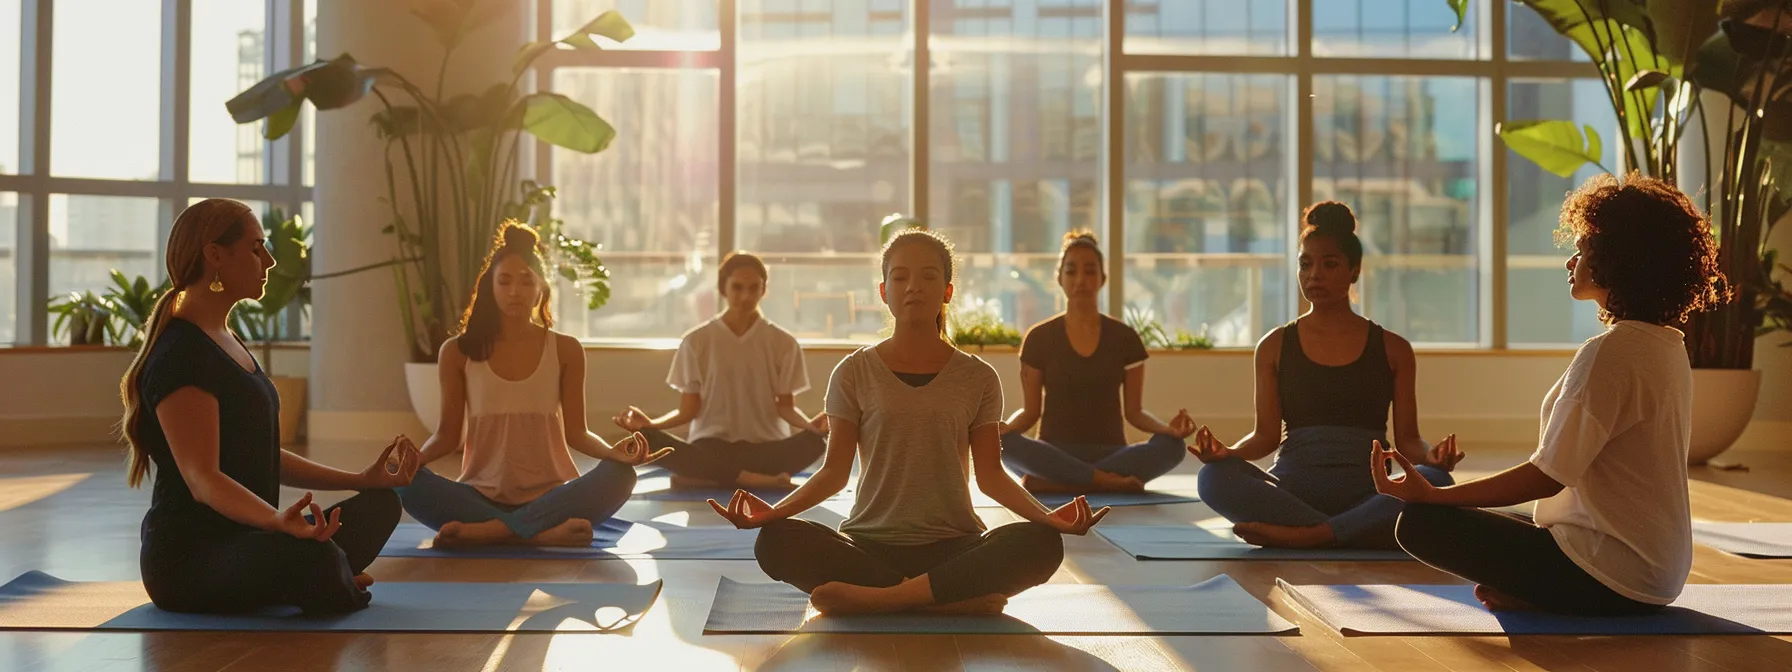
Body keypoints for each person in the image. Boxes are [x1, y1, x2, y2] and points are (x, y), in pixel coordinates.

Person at [1375, 174, 1728, 615]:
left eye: (1581, 252)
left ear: (1617, 260)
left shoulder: (1609, 352)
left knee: (1420, 523)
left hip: (1610, 575)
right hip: (1655, 573)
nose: (1571, 263)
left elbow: (1548, 475)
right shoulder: (1666, 344)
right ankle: (1532, 589)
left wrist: (1432, 495)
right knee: (1512, 520)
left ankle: (1541, 592)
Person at [709, 229, 1108, 616]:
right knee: (775, 541)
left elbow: (990, 475)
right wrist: (773, 514)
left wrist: (1047, 518)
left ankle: (883, 599)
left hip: (955, 544)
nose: (913, 286)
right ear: (884, 292)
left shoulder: (979, 377)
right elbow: (833, 473)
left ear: (947, 291)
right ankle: (945, 598)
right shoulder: (852, 372)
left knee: (1042, 543)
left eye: (928, 276)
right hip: (868, 545)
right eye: (900, 277)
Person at [123, 198, 419, 615]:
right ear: (215, 255)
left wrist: (360, 479)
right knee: (309, 555)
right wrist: (277, 522)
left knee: (380, 504)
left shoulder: (225, 338)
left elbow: (261, 452)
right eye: (256, 247)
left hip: (252, 541)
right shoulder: (182, 356)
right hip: (191, 564)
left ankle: (320, 575)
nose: (270, 260)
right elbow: (203, 479)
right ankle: (324, 576)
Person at [1190, 201, 1462, 550]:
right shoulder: (1273, 346)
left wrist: (1432, 457)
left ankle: (1310, 535)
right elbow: (1265, 437)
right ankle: (1355, 531)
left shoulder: (1394, 349)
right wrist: (1227, 453)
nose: (1314, 274)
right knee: (1212, 478)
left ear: (1354, 271)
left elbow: (1409, 440)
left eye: (1329, 264)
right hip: (1291, 490)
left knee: (1438, 479)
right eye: (1306, 264)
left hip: (1369, 491)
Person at [396, 221, 671, 548]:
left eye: (526, 281)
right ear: (490, 287)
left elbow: (577, 433)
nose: (515, 291)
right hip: (480, 496)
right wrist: (412, 463)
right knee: (407, 483)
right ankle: (538, 533)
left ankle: (497, 532)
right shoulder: (457, 352)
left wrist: (614, 454)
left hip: (552, 495)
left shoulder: (566, 349)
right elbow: (446, 436)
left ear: (541, 288)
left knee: (620, 476)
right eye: (505, 281)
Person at [999, 230, 1195, 494]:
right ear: (1059, 278)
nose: (1081, 280)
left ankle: (1062, 483)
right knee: (1003, 444)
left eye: (1090, 271)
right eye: (1071, 271)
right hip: (1053, 454)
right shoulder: (1039, 338)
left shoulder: (1124, 337)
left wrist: (1167, 430)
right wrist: (1005, 429)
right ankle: (1103, 482)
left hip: (1112, 452)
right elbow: (1030, 412)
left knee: (1173, 447)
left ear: (1102, 278)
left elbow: (1134, 412)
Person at [612, 252, 828, 490]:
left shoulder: (784, 343)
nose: (745, 296)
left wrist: (813, 428)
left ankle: (706, 477)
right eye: (737, 287)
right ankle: (753, 480)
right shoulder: (696, 341)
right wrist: (651, 425)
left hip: (768, 449)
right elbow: (688, 410)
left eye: (753, 288)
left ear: (763, 290)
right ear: (723, 288)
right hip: (712, 447)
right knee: (649, 438)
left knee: (818, 442)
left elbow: (785, 407)